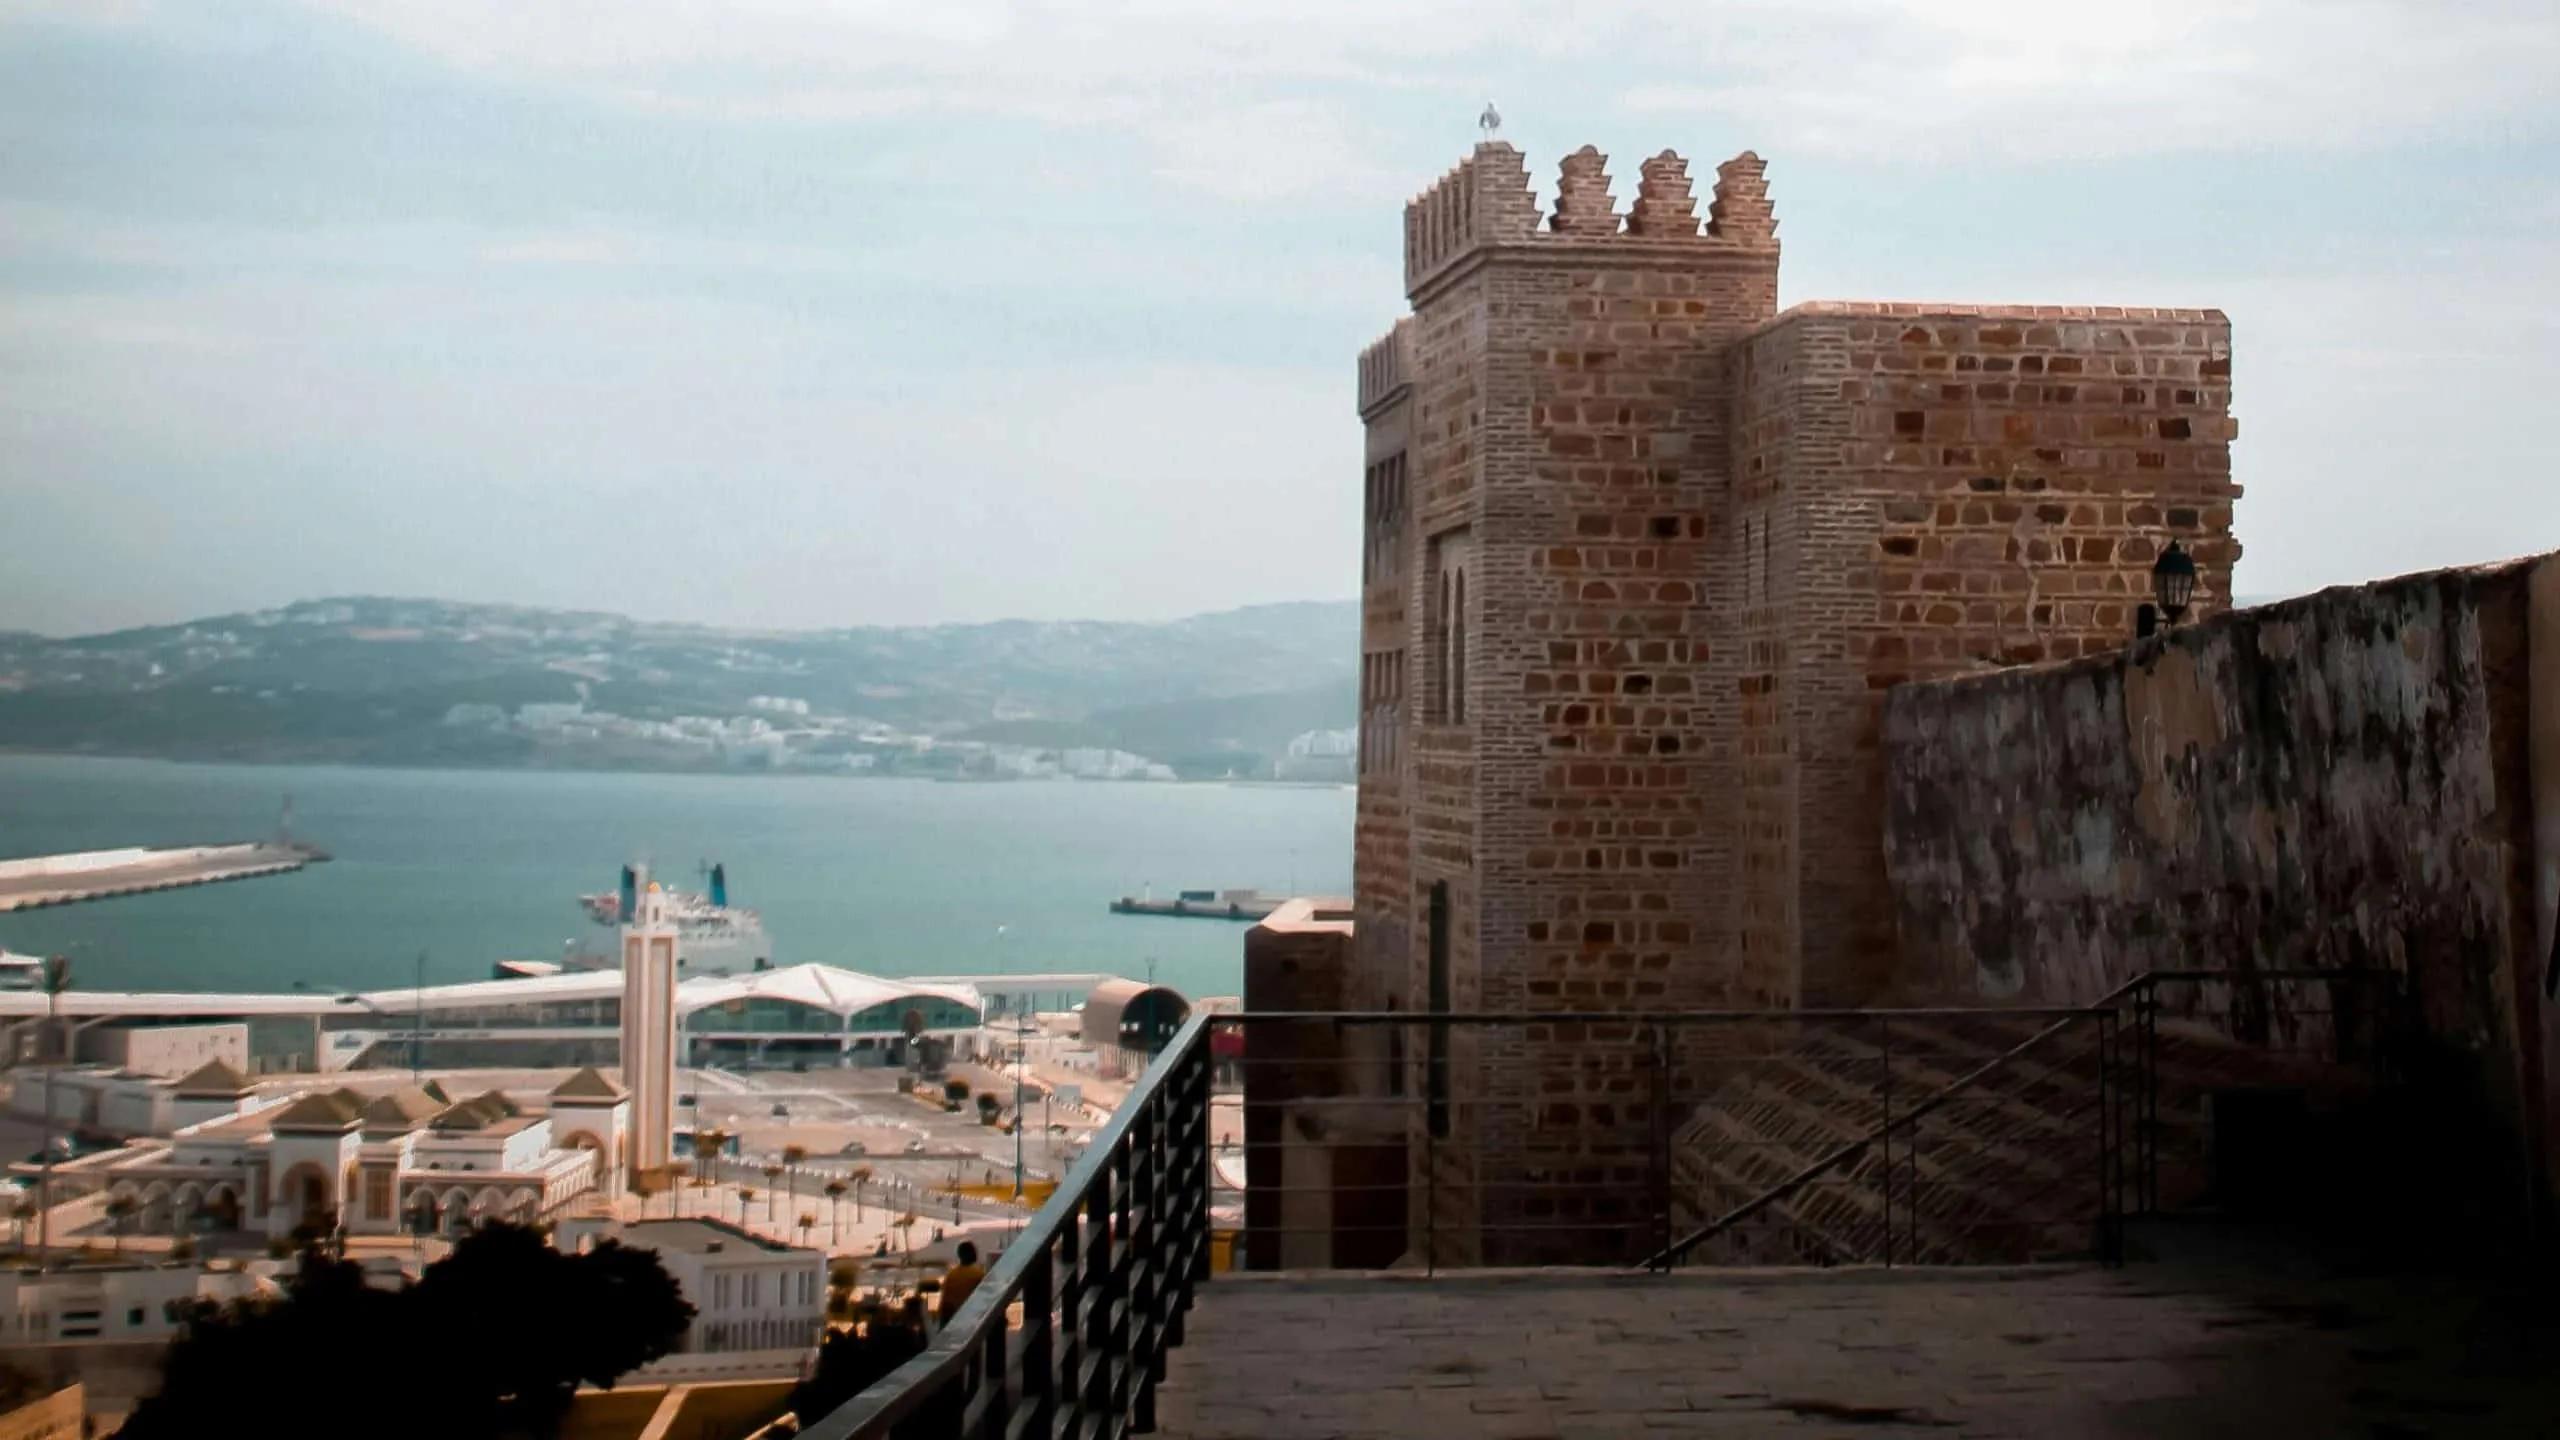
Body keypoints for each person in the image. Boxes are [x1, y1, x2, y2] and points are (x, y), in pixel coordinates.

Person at [935, 1241, 984, 1324]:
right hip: (972, 1319)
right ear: (972, 1254)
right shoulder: (979, 1275)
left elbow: (945, 1304)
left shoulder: (951, 1275)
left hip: (953, 1319)